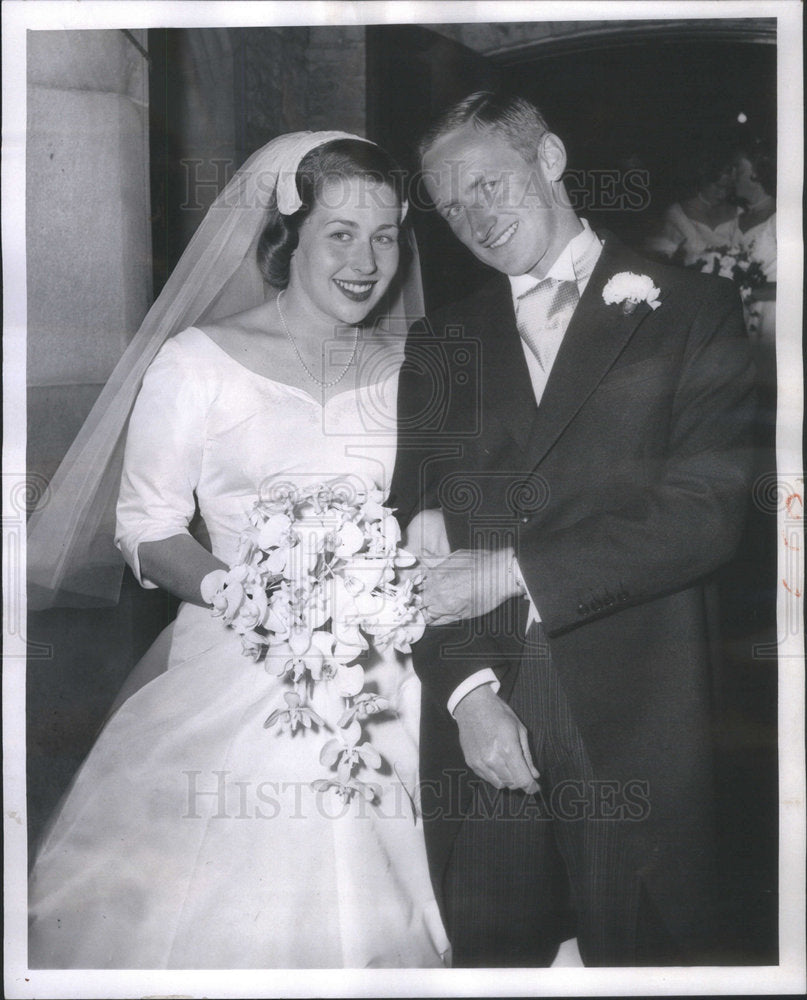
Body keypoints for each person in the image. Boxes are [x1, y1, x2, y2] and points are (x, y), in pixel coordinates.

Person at [28, 132, 449, 969]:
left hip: (386, 658)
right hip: (239, 651)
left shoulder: (411, 364)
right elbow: (145, 528)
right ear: (286, 238)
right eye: (340, 234)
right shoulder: (197, 364)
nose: (367, 262)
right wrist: (258, 598)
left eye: (384, 237)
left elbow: (423, 512)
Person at [390, 93, 757, 967]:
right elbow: (409, 538)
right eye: (452, 205)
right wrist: (467, 696)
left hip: (637, 717)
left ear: (549, 159)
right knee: (491, 962)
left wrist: (511, 570)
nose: (475, 217)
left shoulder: (694, 309)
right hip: (481, 717)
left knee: (639, 962)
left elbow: (704, 516)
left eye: (489, 183)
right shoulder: (442, 340)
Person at [645, 143, 741, 263]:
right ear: (704, 180)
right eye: (718, 187)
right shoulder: (677, 214)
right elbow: (661, 256)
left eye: (728, 189)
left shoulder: (739, 214)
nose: (722, 194)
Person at [733, 137, 777, 347]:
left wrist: (747, 292)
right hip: (744, 315)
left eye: (738, 171)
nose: (733, 177)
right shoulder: (737, 216)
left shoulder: (782, 217)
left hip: (772, 317)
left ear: (756, 174)